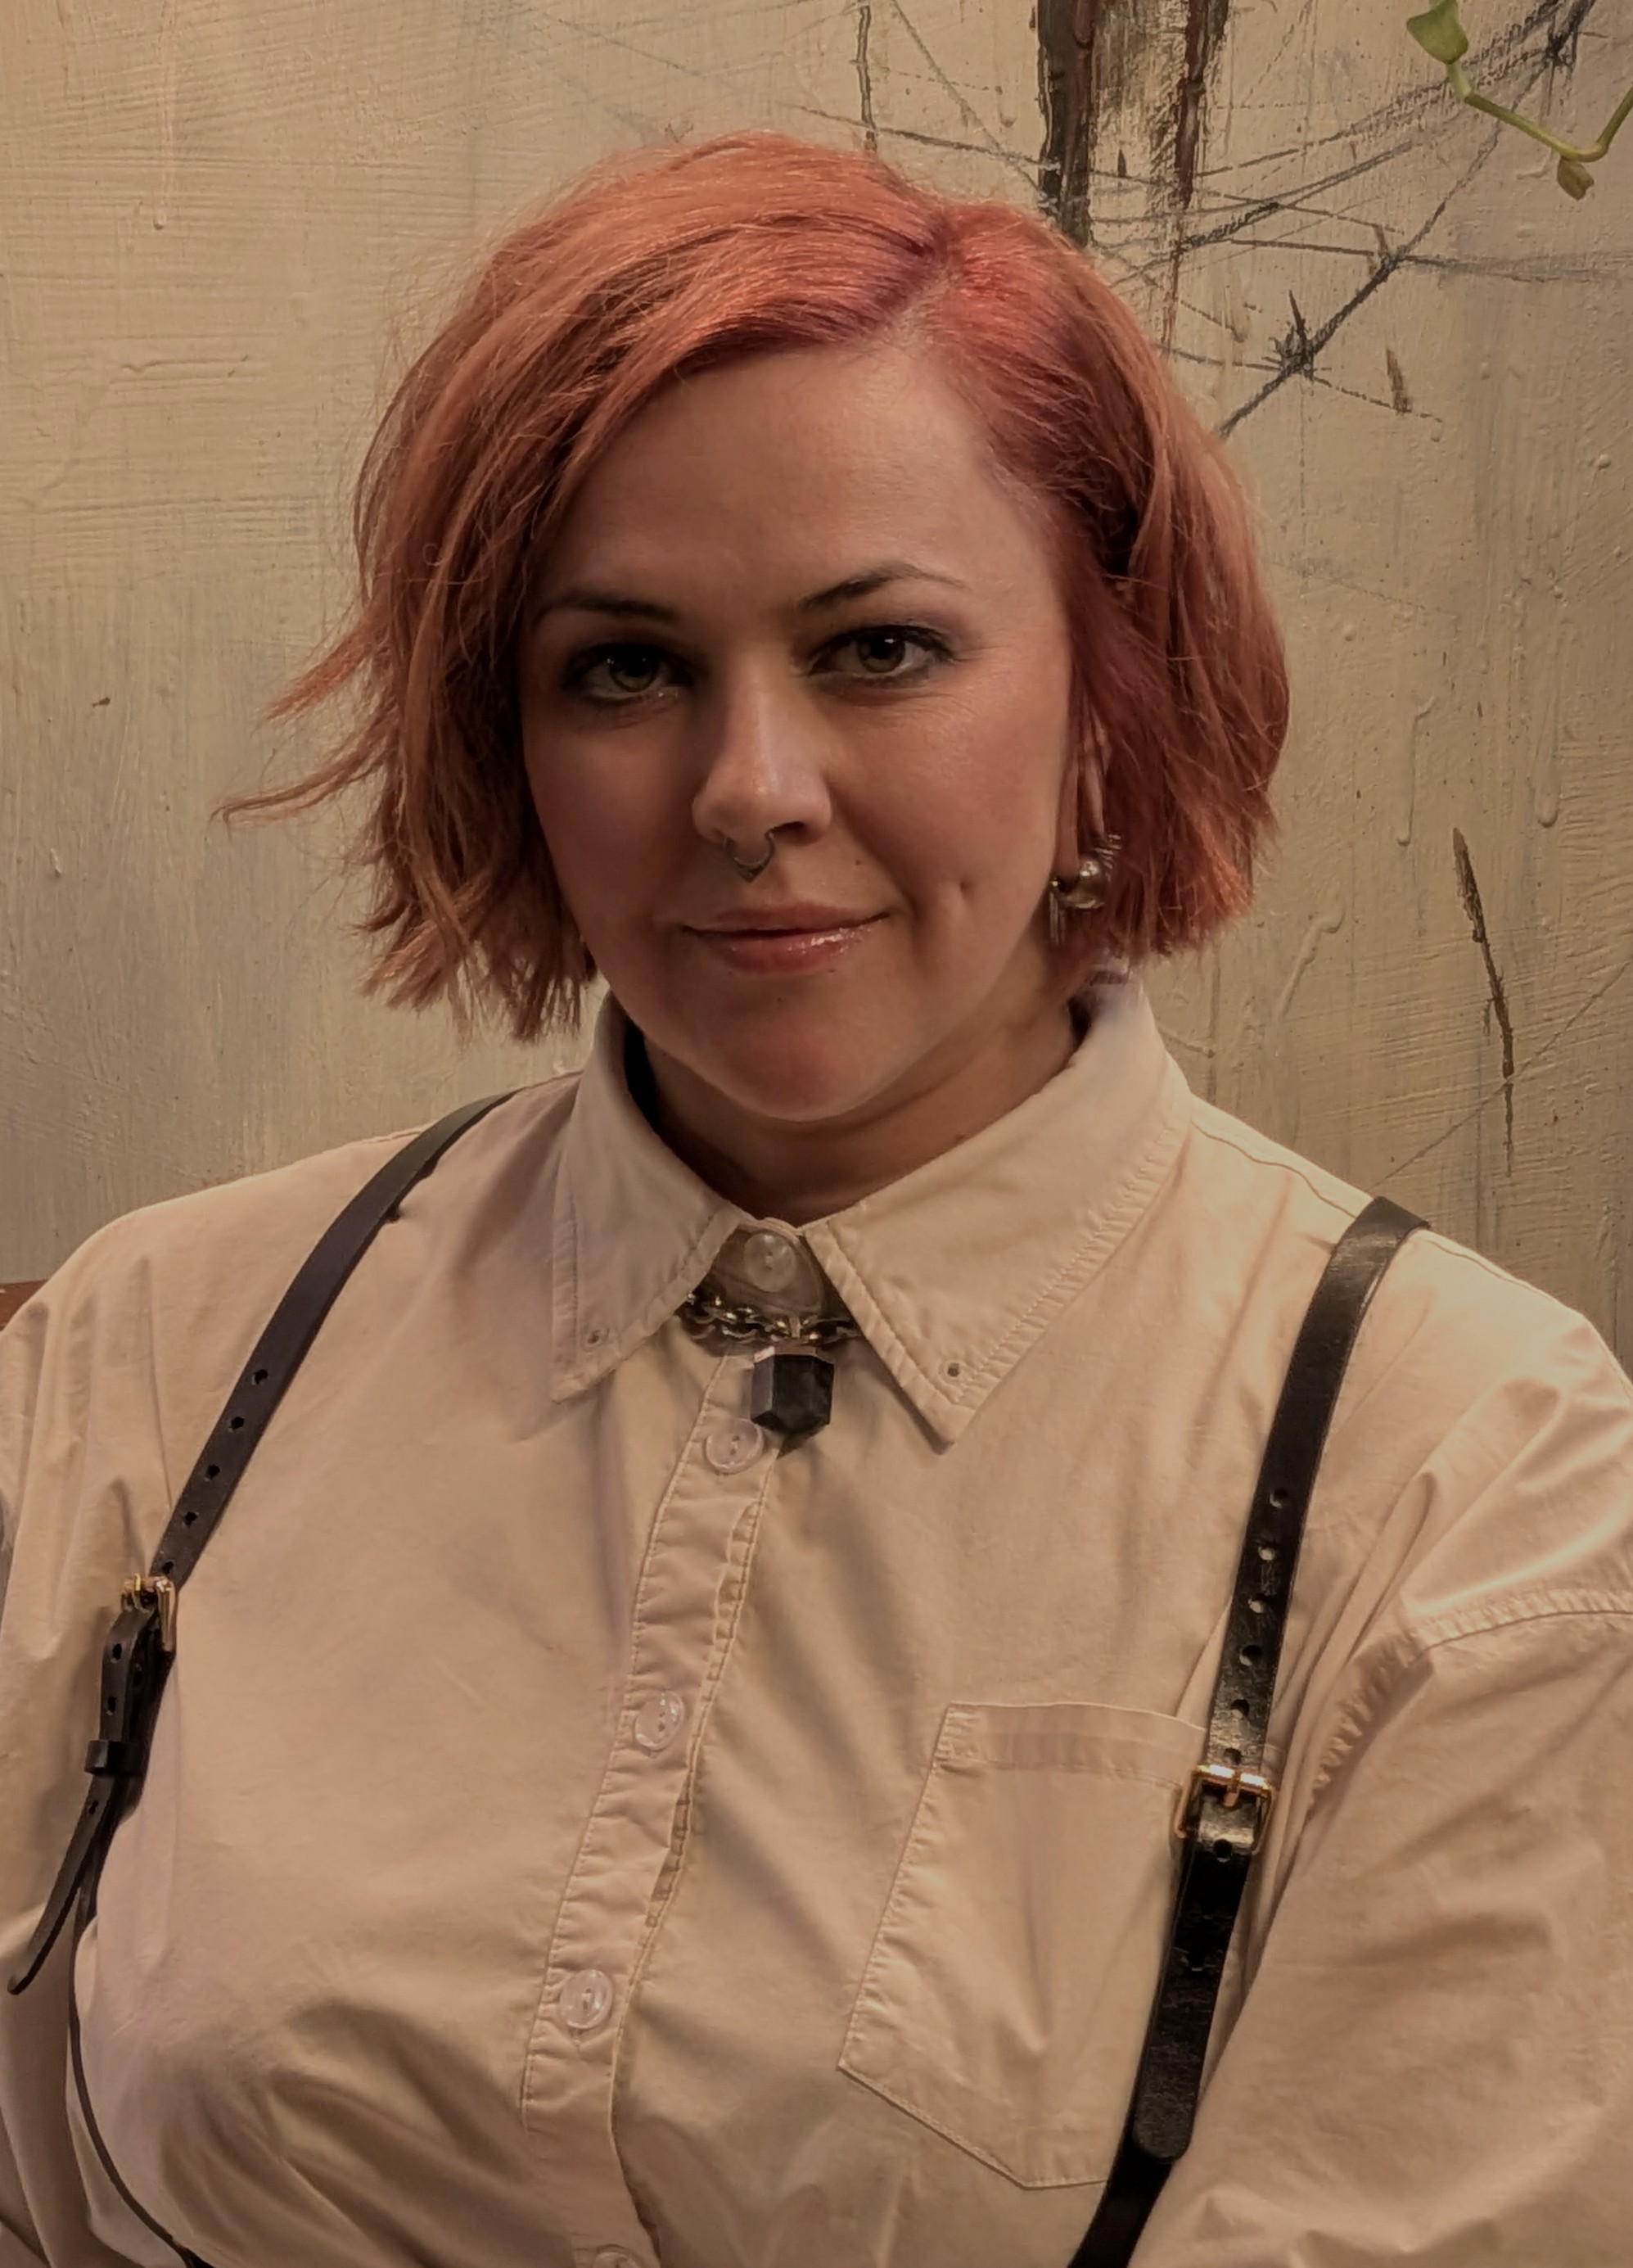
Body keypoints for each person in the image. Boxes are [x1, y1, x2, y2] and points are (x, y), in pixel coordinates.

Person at [1, 131, 1630, 2268]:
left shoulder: (1471, 1478)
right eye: (624, 667)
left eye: (877, 649)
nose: (747, 790)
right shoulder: (160, 1347)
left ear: (1111, 697)